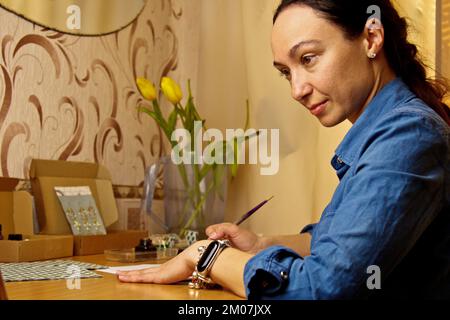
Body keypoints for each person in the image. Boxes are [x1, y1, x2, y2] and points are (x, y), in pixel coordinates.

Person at [118, 0, 450, 299]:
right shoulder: (389, 131)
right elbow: (341, 245)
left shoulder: (409, 135)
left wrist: (205, 255)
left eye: (309, 58)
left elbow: (323, 287)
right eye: (286, 72)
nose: (297, 89)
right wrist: (263, 244)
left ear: (371, 39)